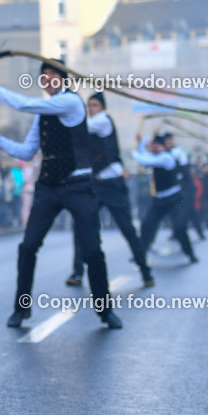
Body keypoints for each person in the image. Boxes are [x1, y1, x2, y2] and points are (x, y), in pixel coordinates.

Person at [0, 59, 122, 330]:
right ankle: (21, 310)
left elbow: (24, 104)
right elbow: (27, 152)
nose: (47, 79)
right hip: (49, 187)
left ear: (64, 79)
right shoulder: (43, 114)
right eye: (44, 75)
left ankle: (105, 311)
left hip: (78, 187)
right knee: (28, 247)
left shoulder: (70, 103)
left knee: (91, 250)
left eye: (53, 74)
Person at [66, 93, 155, 288]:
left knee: (127, 230)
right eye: (89, 105)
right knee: (81, 226)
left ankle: (145, 272)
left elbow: (77, 128)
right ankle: (77, 272)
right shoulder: (92, 124)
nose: (91, 109)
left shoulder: (102, 121)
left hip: (112, 185)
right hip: (94, 185)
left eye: (95, 105)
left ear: (103, 108)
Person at [131, 134, 198, 264]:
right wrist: (141, 141)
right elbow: (145, 155)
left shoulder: (166, 158)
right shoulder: (156, 156)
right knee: (146, 226)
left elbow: (144, 160)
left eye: (156, 145)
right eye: (153, 145)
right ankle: (140, 255)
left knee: (179, 228)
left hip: (174, 199)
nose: (154, 148)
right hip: (159, 200)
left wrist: (134, 152)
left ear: (162, 146)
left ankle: (190, 253)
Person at [163, 133, 205, 241]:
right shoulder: (166, 153)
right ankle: (175, 232)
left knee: (190, 211)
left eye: (169, 141)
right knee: (175, 212)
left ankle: (199, 233)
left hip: (185, 187)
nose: (168, 144)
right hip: (176, 187)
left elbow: (184, 171)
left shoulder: (177, 152)